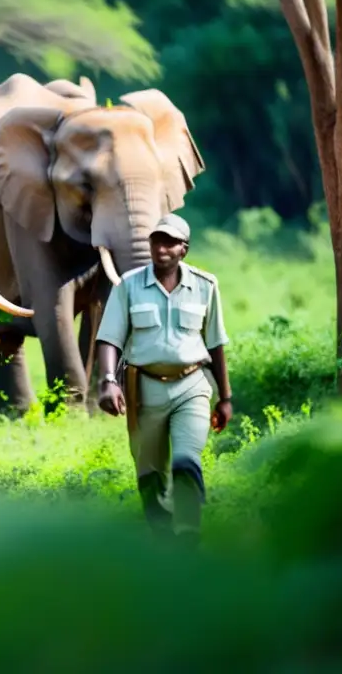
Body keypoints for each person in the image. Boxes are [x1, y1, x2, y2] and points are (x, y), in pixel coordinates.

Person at [94, 213, 233, 546]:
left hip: (192, 386)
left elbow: (215, 343)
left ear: (183, 249)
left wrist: (225, 397)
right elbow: (109, 338)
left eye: (170, 243)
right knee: (150, 473)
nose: (161, 249)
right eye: (156, 241)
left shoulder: (205, 286)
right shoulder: (128, 286)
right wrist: (108, 381)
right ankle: (162, 535)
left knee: (187, 460)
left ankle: (188, 535)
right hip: (144, 388)